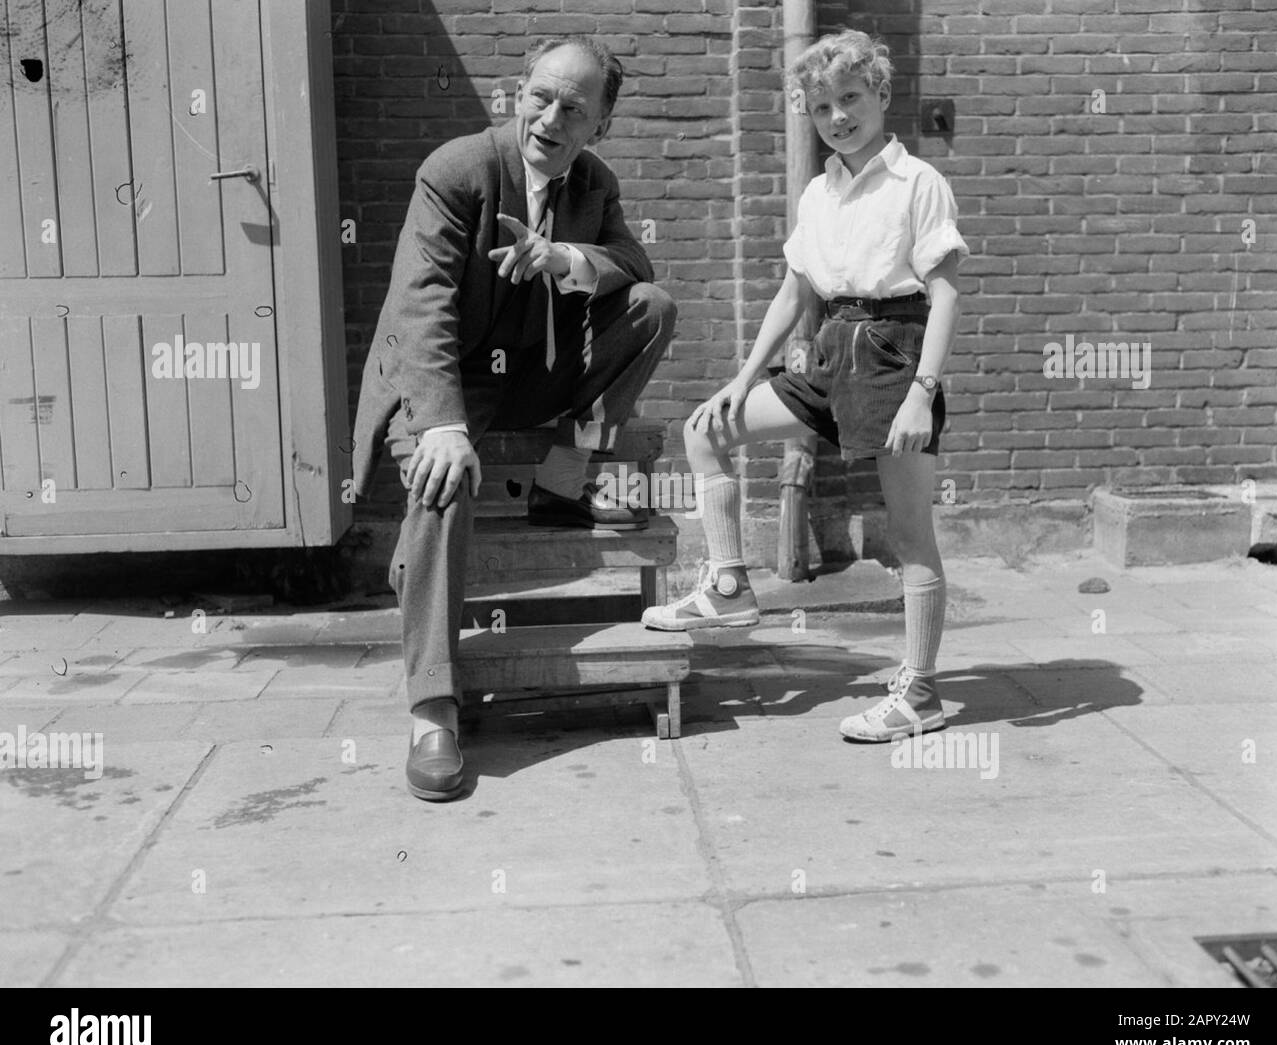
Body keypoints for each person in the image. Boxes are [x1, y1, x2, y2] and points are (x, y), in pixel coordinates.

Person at [351, 36, 676, 801]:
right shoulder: (457, 170)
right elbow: (422, 300)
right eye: (541, 96)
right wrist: (440, 423)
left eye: (574, 108)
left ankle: (560, 483)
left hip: (528, 374)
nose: (550, 118)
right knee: (444, 478)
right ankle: (434, 706)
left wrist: (565, 258)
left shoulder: (594, 183)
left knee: (653, 312)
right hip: (442, 373)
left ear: (599, 125)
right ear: (516, 91)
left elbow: (637, 267)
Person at [642, 29, 967, 744]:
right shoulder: (819, 191)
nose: (838, 117)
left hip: (893, 353)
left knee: (911, 537)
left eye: (850, 99)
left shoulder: (919, 184)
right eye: (821, 107)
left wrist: (921, 391)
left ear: (881, 95)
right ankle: (728, 585)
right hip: (827, 354)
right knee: (706, 430)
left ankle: (920, 692)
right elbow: (794, 291)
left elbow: (944, 297)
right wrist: (743, 378)